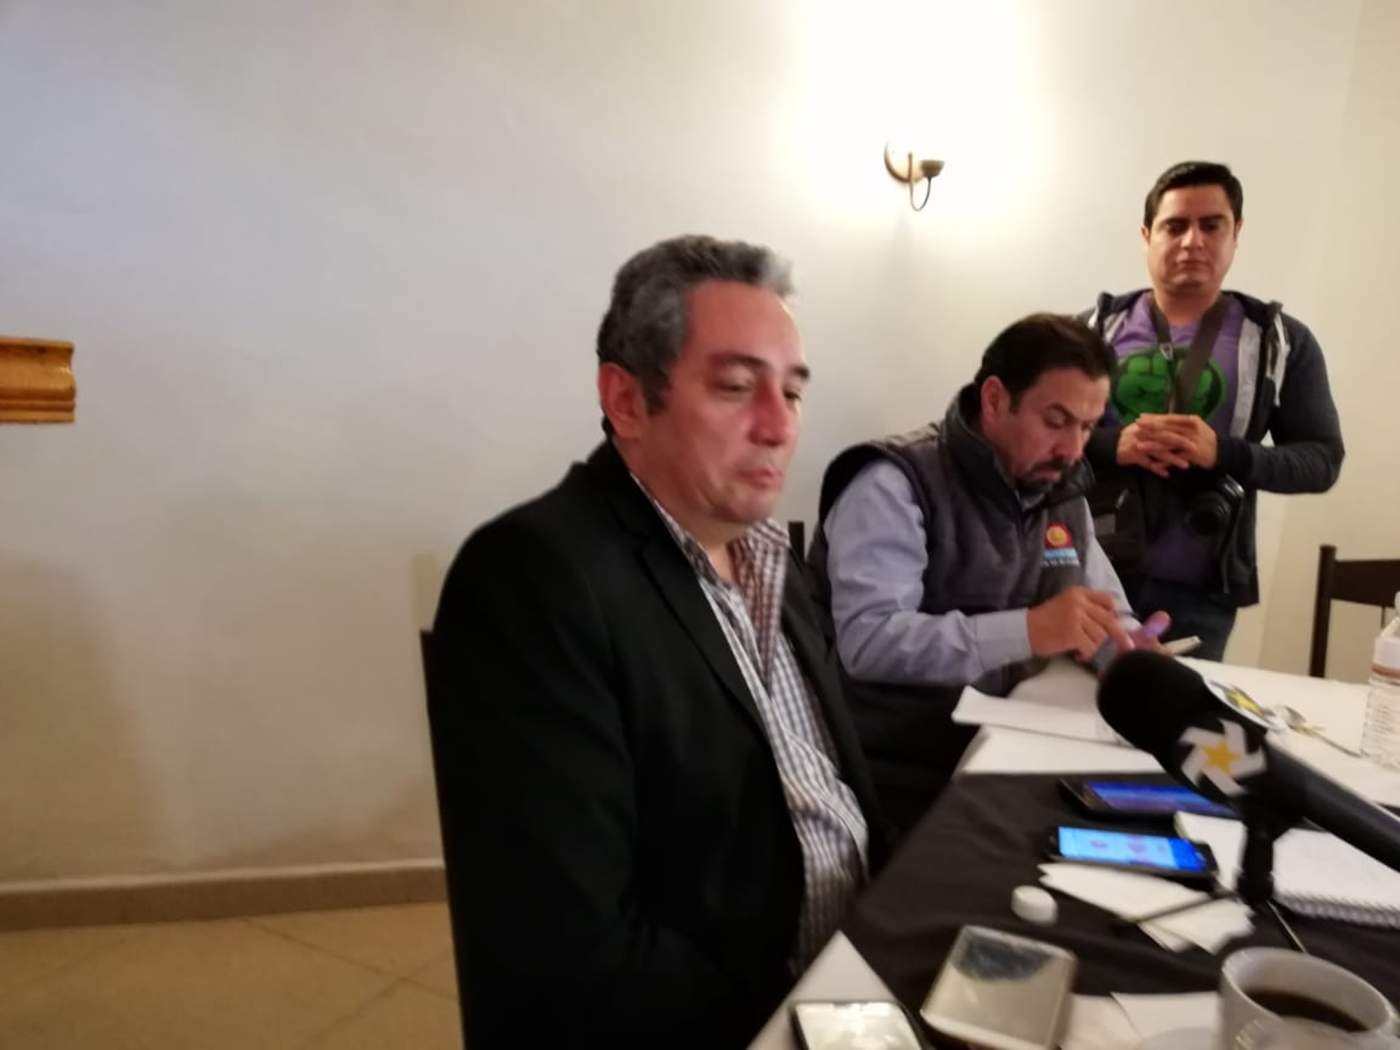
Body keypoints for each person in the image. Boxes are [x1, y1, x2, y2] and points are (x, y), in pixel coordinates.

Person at [431, 235, 886, 1048]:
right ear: (628, 400)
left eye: (792, 391)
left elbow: (826, 792)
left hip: (856, 977)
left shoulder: (774, 558)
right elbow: (573, 954)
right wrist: (807, 1021)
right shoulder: (534, 578)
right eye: (737, 386)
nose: (780, 425)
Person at [809, 314, 1152, 836]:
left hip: (1008, 749)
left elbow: (1103, 610)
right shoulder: (891, 482)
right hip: (888, 771)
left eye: (1087, 427)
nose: (1073, 450)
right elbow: (870, 641)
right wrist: (1030, 630)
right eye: (1055, 421)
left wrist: (1128, 652)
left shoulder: (1061, 491)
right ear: (994, 400)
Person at [1083, 161, 1345, 660]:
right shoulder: (1091, 331)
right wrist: (1112, 445)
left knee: (1175, 708)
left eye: (1211, 225)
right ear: (1147, 235)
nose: (1192, 241)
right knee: (1061, 703)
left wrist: (1222, 452)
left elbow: (1322, 460)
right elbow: (1032, 439)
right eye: (1175, 226)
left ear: (1235, 233)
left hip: (1201, 591)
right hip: (1085, 572)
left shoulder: (1280, 342)